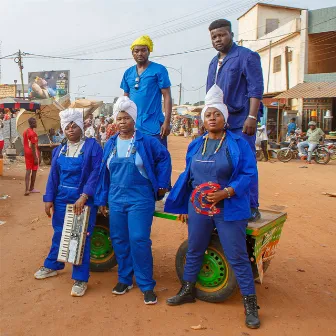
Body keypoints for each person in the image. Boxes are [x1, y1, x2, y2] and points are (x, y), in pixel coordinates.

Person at [164, 85, 260, 329]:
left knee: (236, 255)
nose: (212, 118)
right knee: (195, 249)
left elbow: (249, 174)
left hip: (229, 208)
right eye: (208, 115)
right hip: (198, 208)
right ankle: (187, 289)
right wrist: (185, 203)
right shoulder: (195, 145)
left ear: (224, 118)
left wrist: (226, 192)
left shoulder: (238, 143)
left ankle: (250, 303)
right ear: (203, 120)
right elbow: (189, 176)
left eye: (217, 114)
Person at [95, 96, 171, 305]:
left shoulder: (146, 141)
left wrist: (163, 183)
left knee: (138, 239)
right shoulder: (110, 143)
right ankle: (125, 279)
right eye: (119, 118)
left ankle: (146, 285)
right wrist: (103, 199)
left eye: (126, 118)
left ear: (133, 120)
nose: (122, 122)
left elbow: (164, 158)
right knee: (119, 239)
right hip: (116, 198)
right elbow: (104, 173)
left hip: (140, 198)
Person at [34, 108, 103, 297]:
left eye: (74, 125)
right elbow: (53, 177)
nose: (70, 129)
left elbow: (96, 173)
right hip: (61, 198)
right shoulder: (59, 150)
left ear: (81, 126)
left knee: (80, 237)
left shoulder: (92, 147)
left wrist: (84, 196)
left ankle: (80, 279)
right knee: (59, 233)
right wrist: (49, 199)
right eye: (66, 126)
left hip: (82, 199)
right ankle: (54, 264)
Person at [206, 19, 264, 221]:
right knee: (222, 163)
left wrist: (252, 116)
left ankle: (251, 205)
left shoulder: (247, 56)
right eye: (214, 36)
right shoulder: (214, 63)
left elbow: (256, 89)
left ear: (231, 34)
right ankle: (225, 200)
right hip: (221, 124)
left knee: (245, 163)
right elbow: (210, 95)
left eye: (221, 35)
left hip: (241, 120)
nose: (218, 39)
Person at [120, 35, 172, 147]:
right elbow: (125, 100)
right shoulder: (128, 73)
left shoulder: (159, 70)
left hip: (154, 124)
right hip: (133, 126)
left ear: (149, 51)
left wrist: (167, 122)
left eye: (143, 50)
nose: (140, 54)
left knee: (158, 159)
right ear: (132, 53)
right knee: (135, 159)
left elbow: (167, 96)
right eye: (136, 51)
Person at [23, 118, 40, 196]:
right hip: (32, 153)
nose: (36, 123)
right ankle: (31, 188)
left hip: (26, 152)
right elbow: (33, 146)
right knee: (34, 170)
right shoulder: (33, 134)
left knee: (28, 170)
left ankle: (26, 189)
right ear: (32, 123)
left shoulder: (25, 132)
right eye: (34, 122)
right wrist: (36, 157)